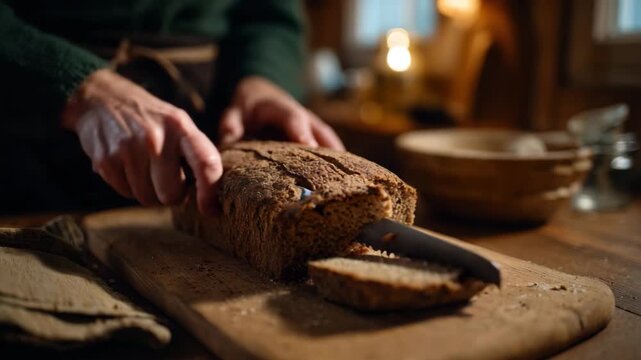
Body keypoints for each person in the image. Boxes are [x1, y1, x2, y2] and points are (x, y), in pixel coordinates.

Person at [0, 0, 344, 215]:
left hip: (209, 142)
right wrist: (75, 86)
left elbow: (269, 14)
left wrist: (264, 76)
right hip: (27, 147)